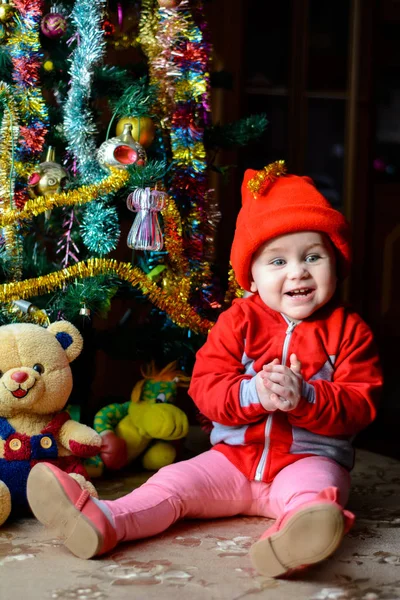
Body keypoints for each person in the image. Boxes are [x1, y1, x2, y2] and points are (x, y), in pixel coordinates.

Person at [26, 161, 383, 578]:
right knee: (173, 484)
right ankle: (105, 520)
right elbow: (206, 388)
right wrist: (255, 394)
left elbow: (361, 403)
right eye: (278, 262)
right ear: (249, 276)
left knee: (317, 494)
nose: (299, 271)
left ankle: (294, 540)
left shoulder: (350, 330)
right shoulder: (239, 320)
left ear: (336, 264)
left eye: (313, 256)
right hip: (231, 460)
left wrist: (306, 397)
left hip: (307, 459)